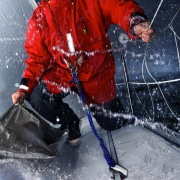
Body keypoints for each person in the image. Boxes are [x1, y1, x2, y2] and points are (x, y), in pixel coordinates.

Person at [12, 0, 154, 144]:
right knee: (35, 94)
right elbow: (36, 60)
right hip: (63, 74)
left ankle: (124, 114)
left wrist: (135, 22)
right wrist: (23, 89)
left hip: (96, 74)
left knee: (111, 124)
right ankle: (70, 123)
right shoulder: (39, 18)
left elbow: (119, 6)